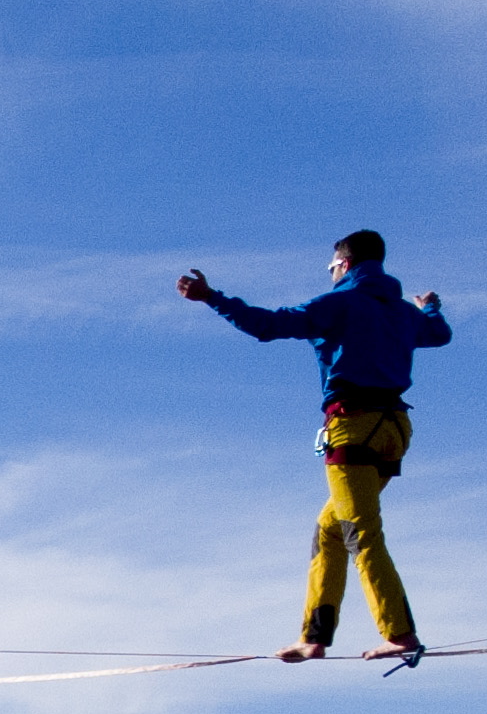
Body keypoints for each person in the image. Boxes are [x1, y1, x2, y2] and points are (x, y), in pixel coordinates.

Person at [177, 232, 448, 666]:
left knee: (361, 533)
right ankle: (314, 638)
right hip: (394, 430)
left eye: (330, 268)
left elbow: (266, 325)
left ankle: (400, 632)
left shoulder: (338, 304)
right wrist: (427, 306)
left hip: (353, 428)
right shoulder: (402, 313)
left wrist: (211, 297)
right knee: (331, 530)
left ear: (343, 264)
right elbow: (440, 333)